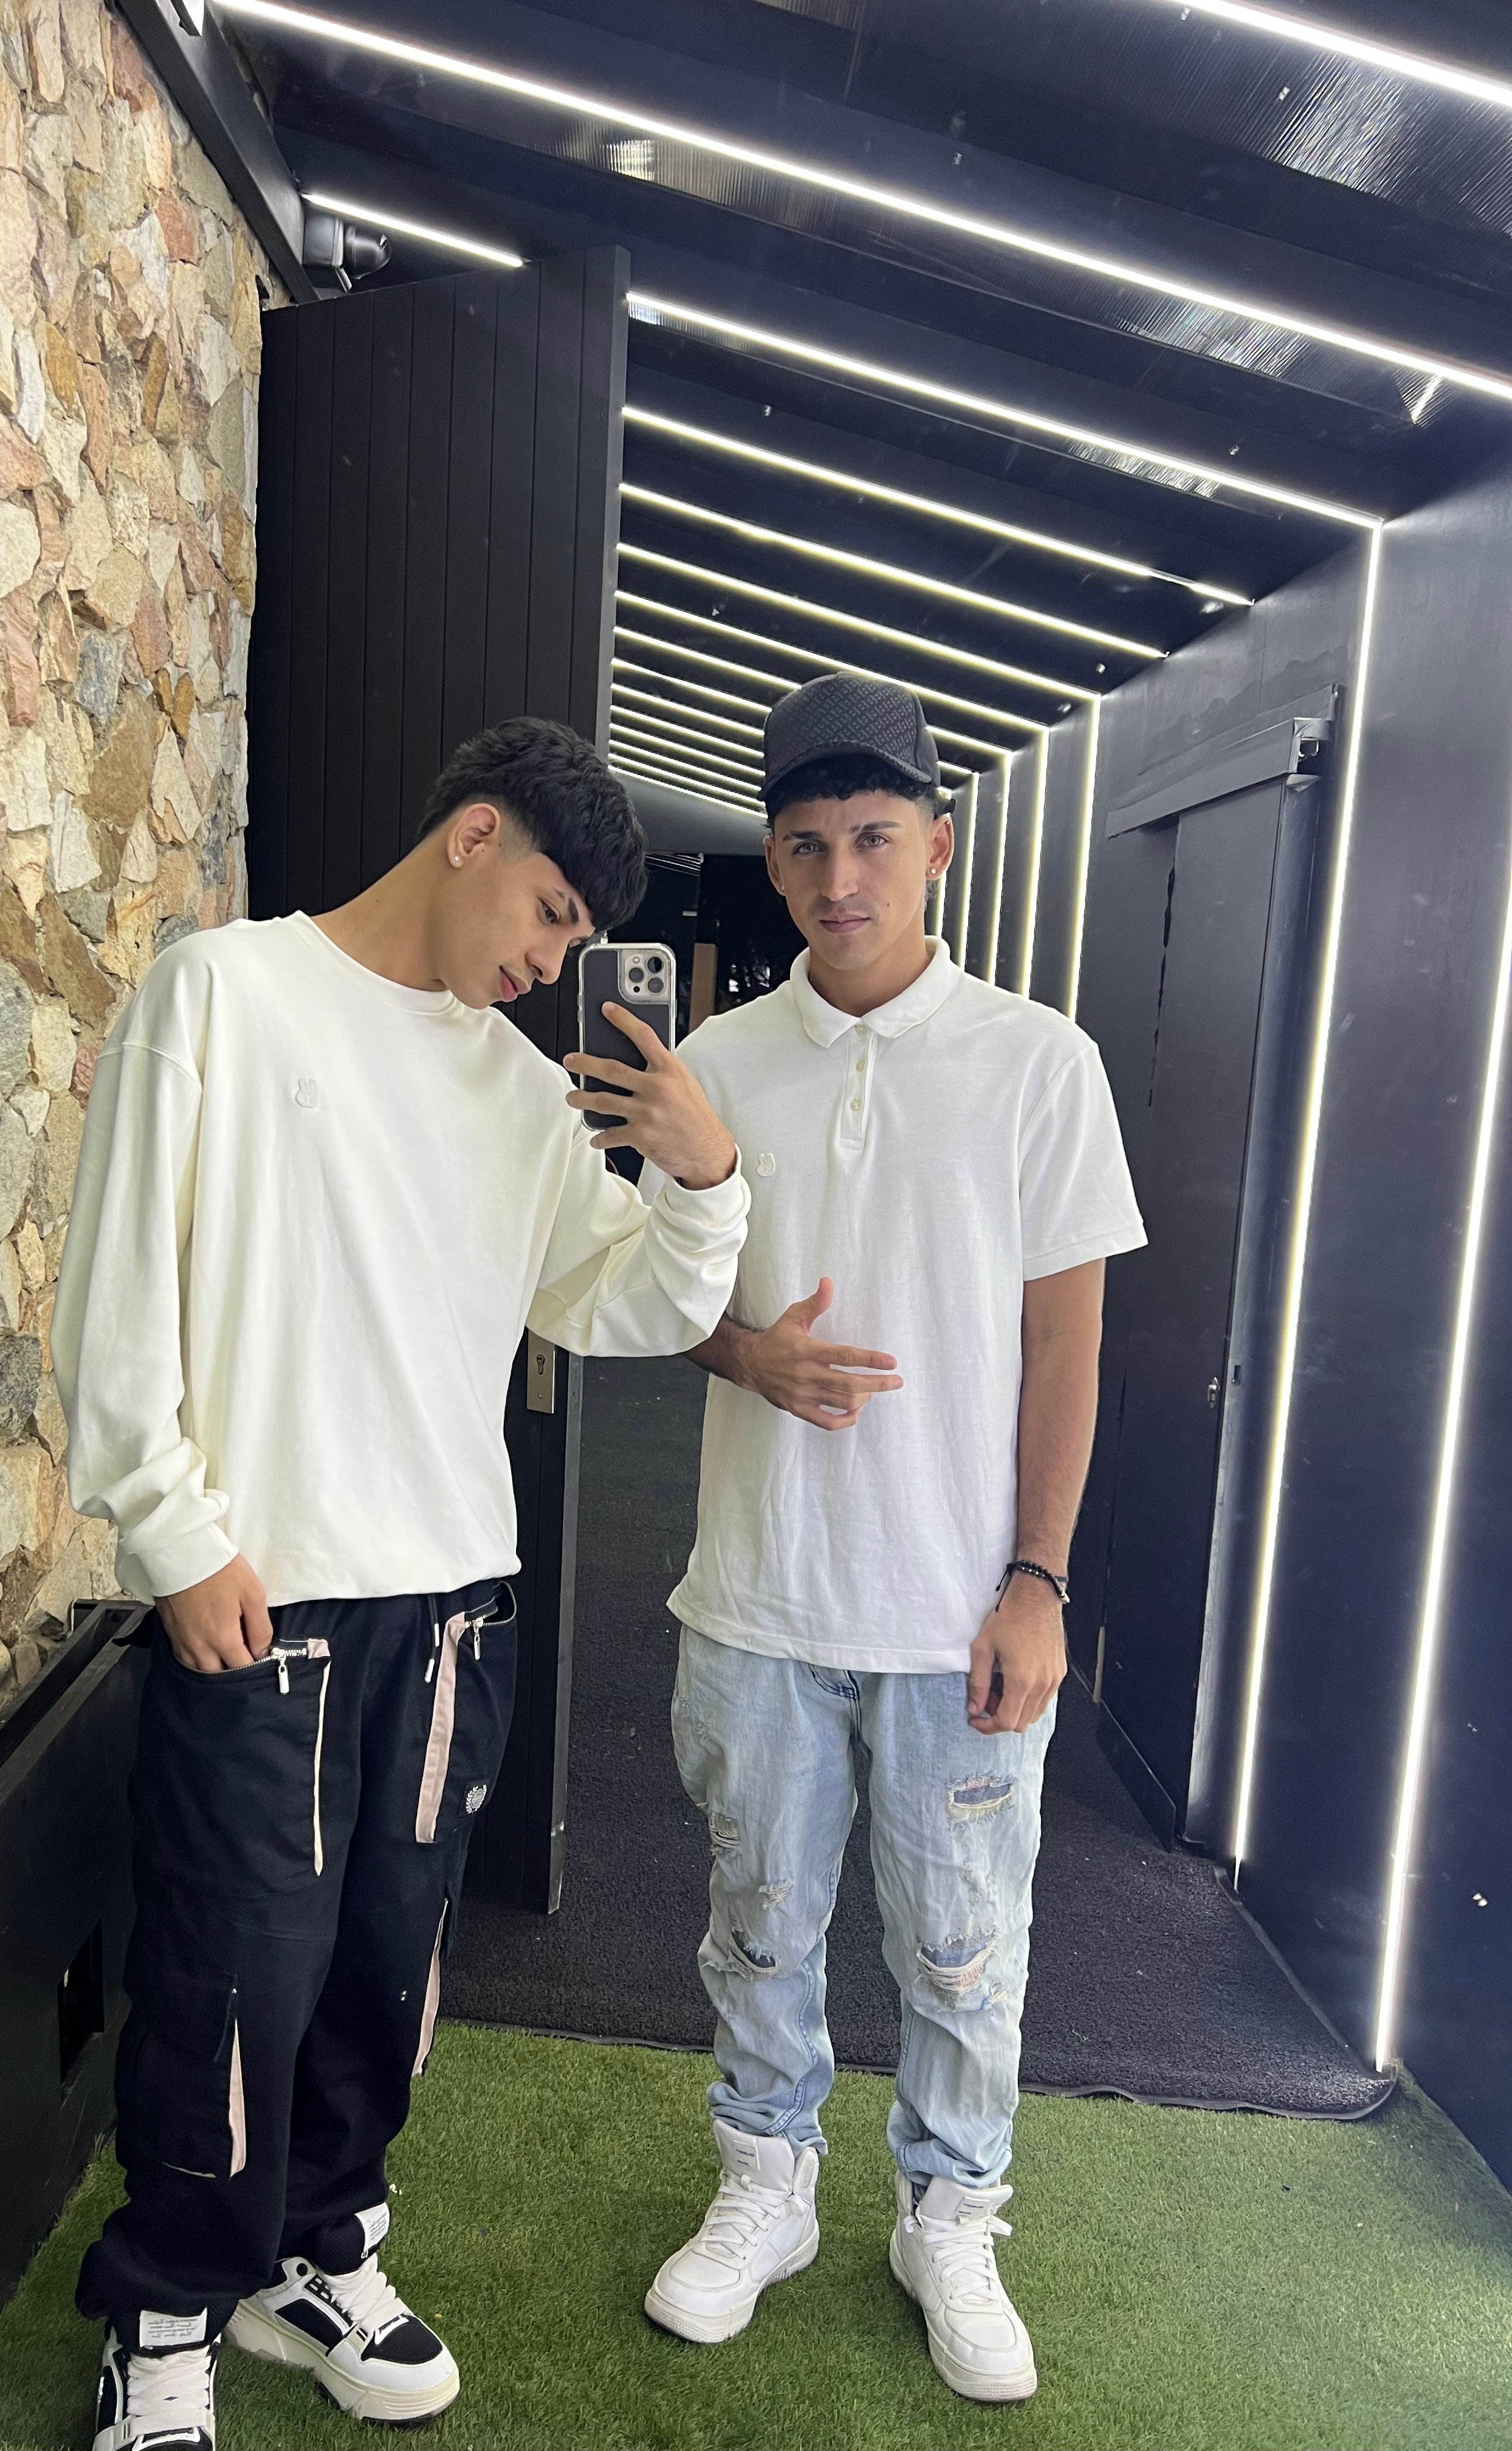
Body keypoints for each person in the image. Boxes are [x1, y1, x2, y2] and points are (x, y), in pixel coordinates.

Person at [53, 719, 748, 2451]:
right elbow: (118, 1287)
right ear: (473, 834)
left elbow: (625, 1303)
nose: (552, 960)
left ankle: (319, 2250)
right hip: (261, 1597)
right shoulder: (224, 994)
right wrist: (174, 1534)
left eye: (579, 939)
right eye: (552, 912)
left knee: (385, 1965)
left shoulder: (516, 1091)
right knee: (229, 1973)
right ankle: (164, 2312)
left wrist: (705, 1174)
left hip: (451, 1609)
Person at [641, 674, 1145, 2404]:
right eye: (804, 846)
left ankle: (951, 2216)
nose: (838, 877)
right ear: (774, 864)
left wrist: (1039, 1579)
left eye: (872, 839)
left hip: (958, 1612)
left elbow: (1069, 1345)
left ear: (935, 843)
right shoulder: (717, 1066)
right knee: (758, 1921)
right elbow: (659, 1297)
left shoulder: (1039, 1063)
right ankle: (764, 2182)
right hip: (758, 1596)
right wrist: (748, 1356)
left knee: (963, 1947)